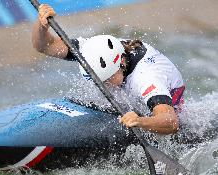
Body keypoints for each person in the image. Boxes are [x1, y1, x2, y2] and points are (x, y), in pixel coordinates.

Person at [32, 4, 185, 135]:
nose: (103, 85)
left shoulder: (146, 79)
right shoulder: (91, 50)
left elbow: (171, 122)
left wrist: (140, 121)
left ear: (121, 64)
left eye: (107, 80)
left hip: (166, 115)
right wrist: (41, 26)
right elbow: (45, 46)